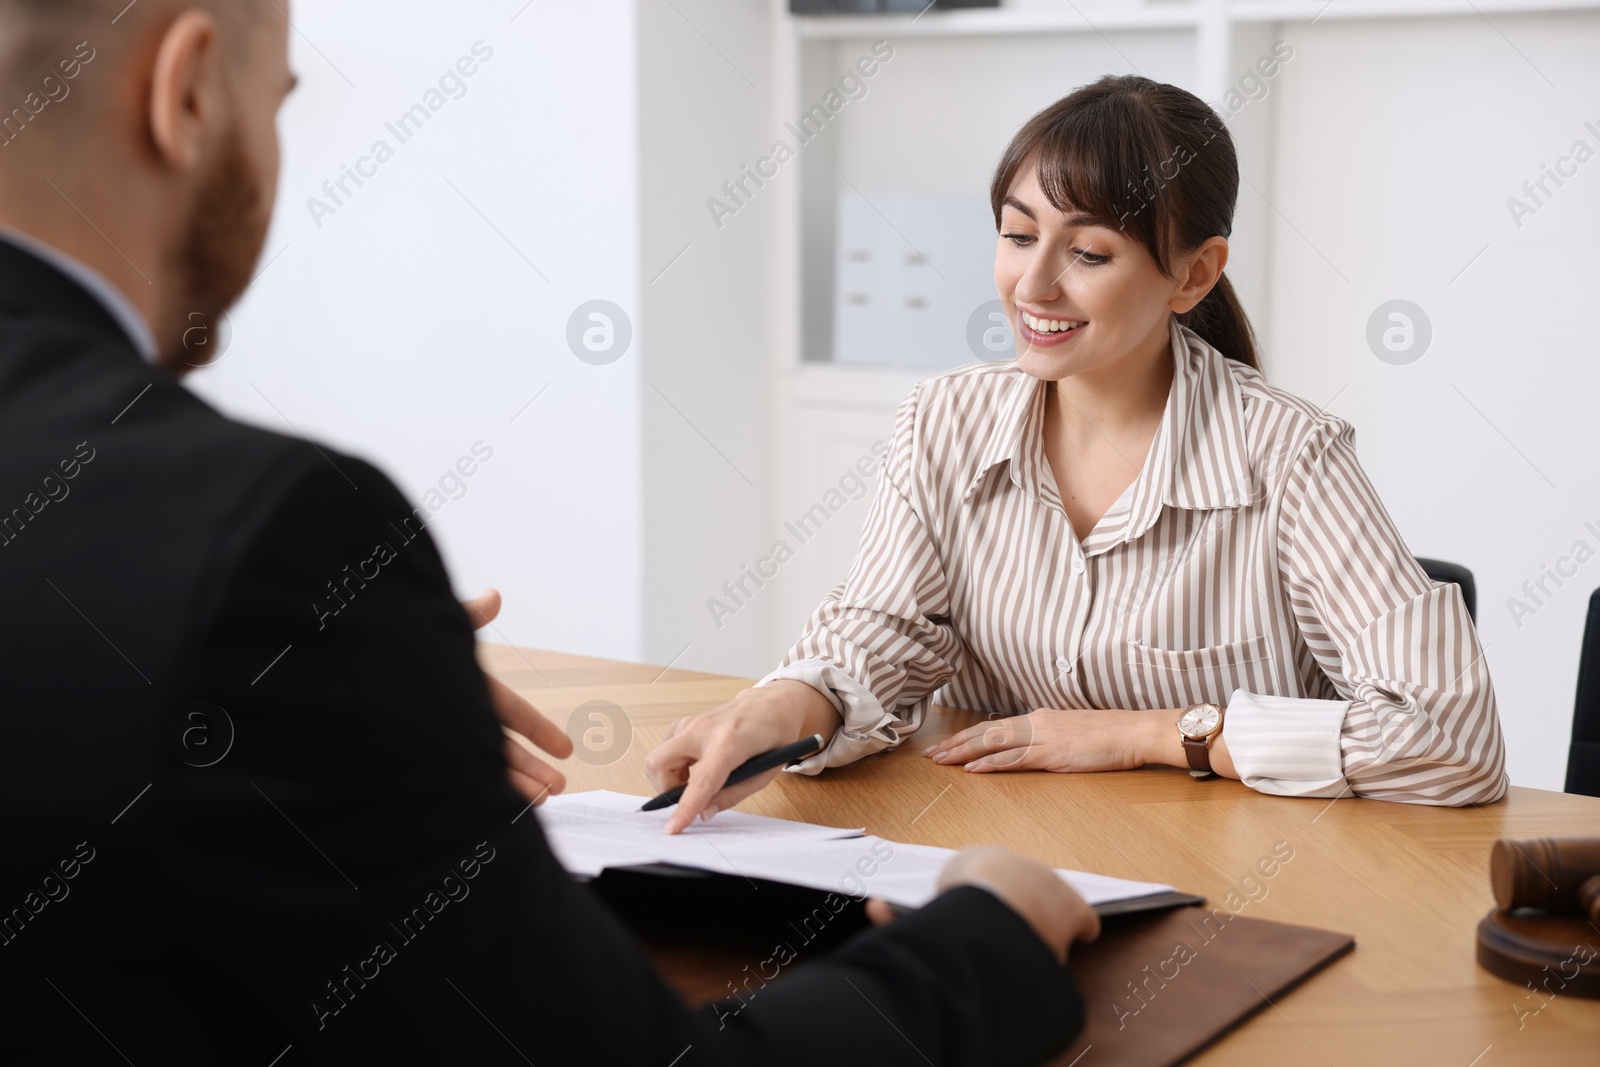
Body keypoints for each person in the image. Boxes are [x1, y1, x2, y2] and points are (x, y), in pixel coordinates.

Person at [0, 2, 1099, 1063]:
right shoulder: (268, 541)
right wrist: (986, 942)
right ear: (186, 90)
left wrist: (333, 706)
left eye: (1086, 248)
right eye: (276, 102)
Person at [647, 75, 1509, 835]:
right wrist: (785, 703)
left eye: (1087, 252)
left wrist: (1148, 734)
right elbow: (883, 628)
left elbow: (1453, 737)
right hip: (997, 856)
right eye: (1019, 236)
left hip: (1241, 882)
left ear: (1194, 275)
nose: (1033, 285)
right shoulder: (944, 421)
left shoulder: (1290, 455)